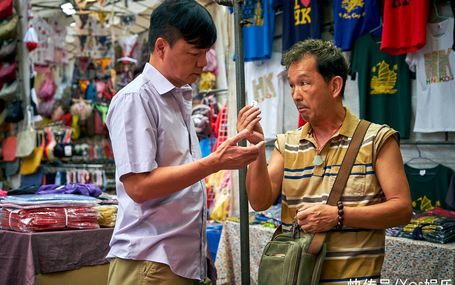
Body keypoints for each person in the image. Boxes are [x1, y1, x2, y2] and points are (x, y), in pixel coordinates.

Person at [105, 1, 263, 284]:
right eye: (194, 53)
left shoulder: (178, 96)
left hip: (176, 262)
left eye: (206, 52)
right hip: (151, 262)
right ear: (162, 47)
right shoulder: (136, 99)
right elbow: (139, 186)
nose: (202, 63)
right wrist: (214, 162)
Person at [237, 39, 412, 283]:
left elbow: (402, 210)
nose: (296, 95)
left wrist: (338, 216)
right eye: (292, 85)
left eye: (305, 83)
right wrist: (255, 150)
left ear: (334, 86)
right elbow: (259, 201)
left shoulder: (377, 139)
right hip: (297, 277)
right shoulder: (286, 143)